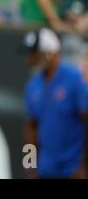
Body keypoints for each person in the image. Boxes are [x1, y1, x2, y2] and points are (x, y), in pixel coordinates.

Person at [23, 27, 88, 179]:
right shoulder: (33, 85)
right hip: (45, 170)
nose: (30, 59)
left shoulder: (74, 79)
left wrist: (84, 165)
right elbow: (31, 128)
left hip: (72, 169)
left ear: (49, 53)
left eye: (34, 54)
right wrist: (29, 166)